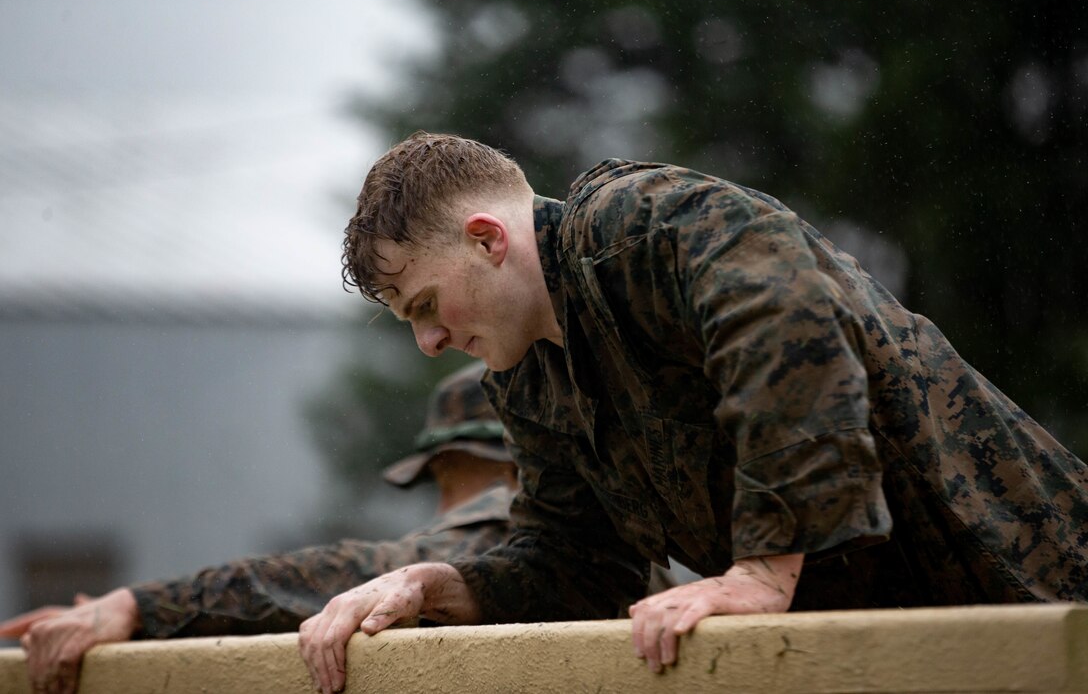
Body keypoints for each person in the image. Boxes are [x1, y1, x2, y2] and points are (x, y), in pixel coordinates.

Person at [297, 131, 1088, 694]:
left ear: (486, 239)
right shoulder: (531, 381)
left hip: (1029, 577)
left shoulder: (635, 222)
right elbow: (576, 567)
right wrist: (439, 584)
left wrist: (760, 569)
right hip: (915, 654)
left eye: (426, 304)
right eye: (410, 319)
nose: (430, 342)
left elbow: (790, 315)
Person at [2, 361, 520, 694]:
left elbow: (354, 575)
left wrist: (136, 607)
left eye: (447, 482)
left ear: (509, 468)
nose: (444, 510)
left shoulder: (508, 526)